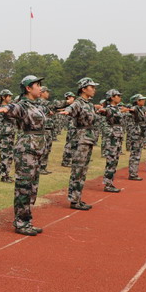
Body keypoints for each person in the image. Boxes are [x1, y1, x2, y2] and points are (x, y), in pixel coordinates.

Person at [0, 75, 49, 234]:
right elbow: (13, 108)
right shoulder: (23, 105)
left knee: (32, 186)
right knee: (24, 186)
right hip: (27, 148)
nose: (40, 88)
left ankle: (27, 219)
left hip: (37, 147)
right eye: (37, 85)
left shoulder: (37, 105)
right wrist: (6, 109)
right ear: (28, 88)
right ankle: (21, 222)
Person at [60, 78, 103, 210]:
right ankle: (74, 199)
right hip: (81, 139)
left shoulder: (89, 104)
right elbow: (72, 107)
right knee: (78, 169)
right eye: (92, 87)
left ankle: (78, 198)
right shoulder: (78, 102)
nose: (94, 89)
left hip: (88, 138)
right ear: (83, 89)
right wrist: (68, 110)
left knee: (83, 170)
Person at [100, 89, 128, 192]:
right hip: (112, 137)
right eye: (118, 95)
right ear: (112, 97)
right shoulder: (109, 108)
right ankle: (108, 184)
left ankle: (110, 182)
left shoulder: (116, 108)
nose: (120, 97)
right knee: (111, 160)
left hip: (117, 136)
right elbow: (105, 112)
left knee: (115, 160)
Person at [0, 89, 16, 183]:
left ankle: (7, 174)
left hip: (10, 133)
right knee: (5, 155)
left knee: (9, 155)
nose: (10, 98)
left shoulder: (8, 107)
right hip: (5, 134)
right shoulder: (3, 108)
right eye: (9, 96)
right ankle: (4, 176)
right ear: (3, 97)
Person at [127, 94, 146, 180]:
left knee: (138, 153)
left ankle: (134, 172)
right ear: (137, 101)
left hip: (140, 133)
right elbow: (130, 110)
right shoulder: (135, 108)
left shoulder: (141, 109)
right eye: (141, 100)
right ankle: (132, 173)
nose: (144, 101)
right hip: (136, 133)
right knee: (135, 153)